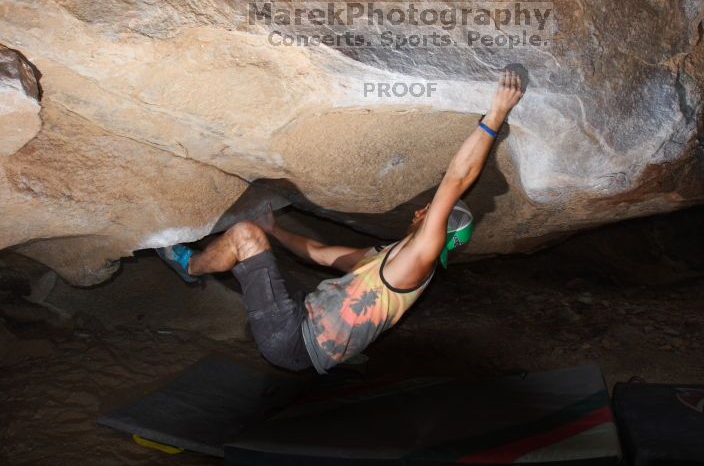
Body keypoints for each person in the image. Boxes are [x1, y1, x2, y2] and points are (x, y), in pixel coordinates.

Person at [156, 69, 525, 373]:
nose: (419, 211)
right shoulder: (391, 258)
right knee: (261, 238)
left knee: (244, 237)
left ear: (438, 229)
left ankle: (188, 265)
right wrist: (277, 230)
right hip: (303, 316)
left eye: (428, 212)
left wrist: (495, 115)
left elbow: (456, 179)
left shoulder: (420, 259)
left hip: (293, 337)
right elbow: (322, 254)